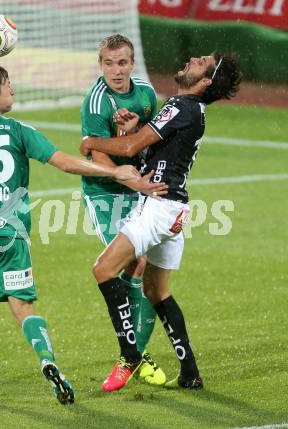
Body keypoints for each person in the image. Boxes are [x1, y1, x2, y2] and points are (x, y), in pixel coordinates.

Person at [0, 64, 168, 404]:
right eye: (7, 85)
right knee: (24, 308)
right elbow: (65, 163)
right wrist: (115, 172)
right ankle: (48, 362)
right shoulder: (19, 131)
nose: (13, 90)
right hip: (10, 238)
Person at [80, 52, 241, 389]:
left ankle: (130, 355)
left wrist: (91, 142)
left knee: (104, 269)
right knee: (157, 291)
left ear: (207, 80)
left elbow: (130, 150)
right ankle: (190, 373)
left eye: (202, 62)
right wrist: (136, 127)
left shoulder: (181, 106)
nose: (193, 59)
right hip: (176, 209)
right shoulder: (191, 109)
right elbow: (152, 151)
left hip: (158, 205)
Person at [81, 34, 166, 392]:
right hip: (105, 192)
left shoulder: (146, 93)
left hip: (140, 188)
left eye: (123, 63)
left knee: (144, 268)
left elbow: (156, 135)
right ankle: (131, 355)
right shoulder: (96, 101)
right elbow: (96, 155)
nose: (117, 71)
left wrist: (137, 134)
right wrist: (134, 183)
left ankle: (133, 355)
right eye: (109, 63)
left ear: (132, 63)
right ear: (100, 65)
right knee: (133, 261)